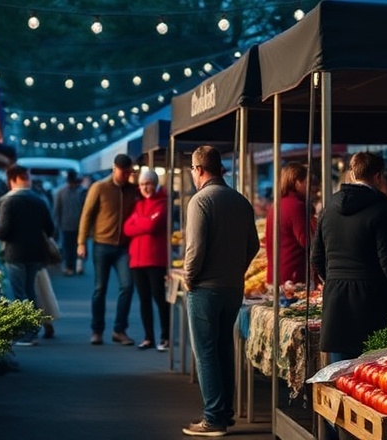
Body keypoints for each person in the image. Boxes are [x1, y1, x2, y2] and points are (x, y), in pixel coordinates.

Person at [181, 146, 258, 437]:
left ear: (199, 169)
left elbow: (195, 249)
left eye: (192, 169)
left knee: (206, 353)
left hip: (205, 289)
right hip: (233, 288)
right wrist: (237, 270)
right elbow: (253, 245)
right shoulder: (241, 201)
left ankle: (213, 418)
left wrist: (189, 278)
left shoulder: (200, 201)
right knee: (225, 348)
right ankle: (225, 412)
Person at [313, 152, 387, 359]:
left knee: (338, 373)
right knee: (371, 372)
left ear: (352, 174)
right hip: (373, 303)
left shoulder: (329, 208)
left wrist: (334, 280)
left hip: (336, 304)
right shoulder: (384, 208)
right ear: (378, 176)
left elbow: (316, 257)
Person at [78, 153, 140, 346]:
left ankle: (119, 330)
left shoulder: (133, 189)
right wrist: (81, 242)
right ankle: (97, 330)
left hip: (124, 247)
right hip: (101, 244)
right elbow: (87, 215)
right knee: (100, 288)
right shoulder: (99, 187)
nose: (126, 176)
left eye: (129, 172)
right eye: (123, 172)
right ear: (114, 169)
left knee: (127, 286)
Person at [0, 165, 56, 345]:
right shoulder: (39, 200)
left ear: (12, 180)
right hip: (36, 253)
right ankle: (33, 330)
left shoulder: (8, 202)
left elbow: (3, 231)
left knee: (19, 294)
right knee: (30, 292)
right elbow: (50, 229)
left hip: (15, 253)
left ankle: (27, 334)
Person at [122, 168, 171, 351]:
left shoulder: (163, 203)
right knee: (144, 300)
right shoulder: (138, 204)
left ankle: (165, 337)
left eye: (148, 184)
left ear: (155, 183)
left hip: (156, 260)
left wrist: (139, 222)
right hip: (137, 260)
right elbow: (127, 228)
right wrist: (145, 222)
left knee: (160, 299)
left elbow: (153, 225)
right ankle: (148, 337)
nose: (145, 187)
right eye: (142, 184)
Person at [263, 162, 311, 286]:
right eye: (307, 182)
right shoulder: (296, 206)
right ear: (297, 183)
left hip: (276, 274)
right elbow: (306, 240)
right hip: (292, 277)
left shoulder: (276, 204)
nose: (309, 186)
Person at [53, 169, 86, 276]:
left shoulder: (60, 192)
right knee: (73, 246)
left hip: (69, 224)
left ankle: (73, 266)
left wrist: (57, 224)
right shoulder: (82, 191)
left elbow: (57, 210)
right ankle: (74, 266)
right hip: (73, 224)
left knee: (71, 246)